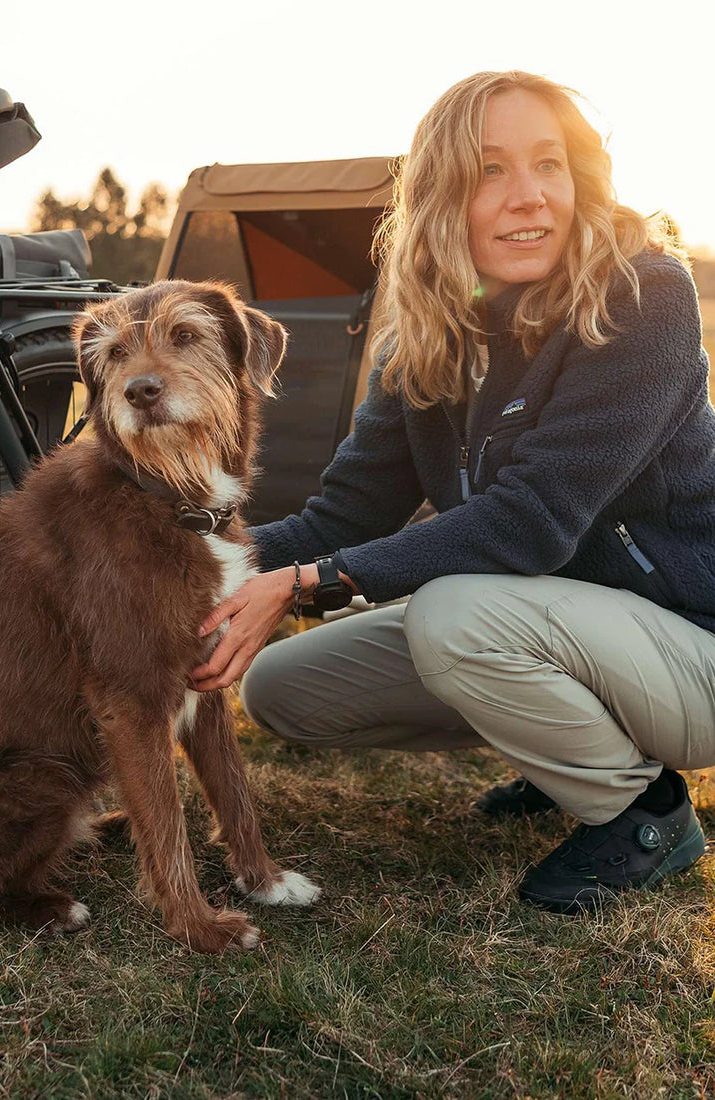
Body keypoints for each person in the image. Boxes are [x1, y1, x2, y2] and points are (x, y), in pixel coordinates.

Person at [190, 70, 715, 915]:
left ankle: (642, 816)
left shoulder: (643, 296)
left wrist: (306, 583)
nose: (528, 195)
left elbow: (531, 523)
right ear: (442, 197)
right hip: (570, 633)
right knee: (282, 688)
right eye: (490, 170)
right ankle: (563, 756)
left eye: (549, 164)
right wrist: (187, 564)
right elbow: (342, 515)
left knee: (453, 613)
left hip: (695, 643)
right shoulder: (426, 343)